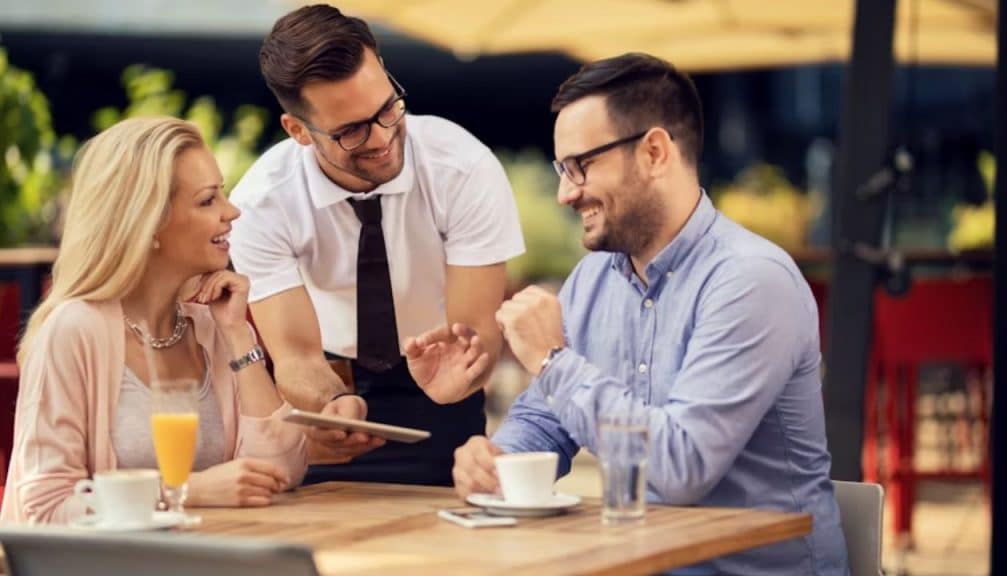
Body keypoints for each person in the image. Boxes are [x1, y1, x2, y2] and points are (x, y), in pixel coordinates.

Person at [453, 54, 849, 575]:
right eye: (560, 169)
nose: (565, 193)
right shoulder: (594, 279)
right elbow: (548, 418)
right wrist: (499, 459)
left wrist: (553, 359)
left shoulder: (751, 282)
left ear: (655, 151)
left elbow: (681, 468)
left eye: (580, 166)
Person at [228, 4, 524, 486]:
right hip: (328, 390)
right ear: (299, 131)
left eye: (388, 107)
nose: (384, 137)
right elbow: (297, 357)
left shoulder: (464, 167)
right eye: (351, 131)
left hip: (442, 383)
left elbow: (477, 334)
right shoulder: (261, 203)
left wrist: (467, 372)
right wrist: (330, 405)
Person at [2, 117, 307, 524]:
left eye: (224, 194)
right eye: (207, 200)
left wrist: (238, 335)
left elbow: (282, 470)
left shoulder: (214, 327)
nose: (231, 212)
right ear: (150, 223)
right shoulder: (73, 330)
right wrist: (184, 493)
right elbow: (44, 507)